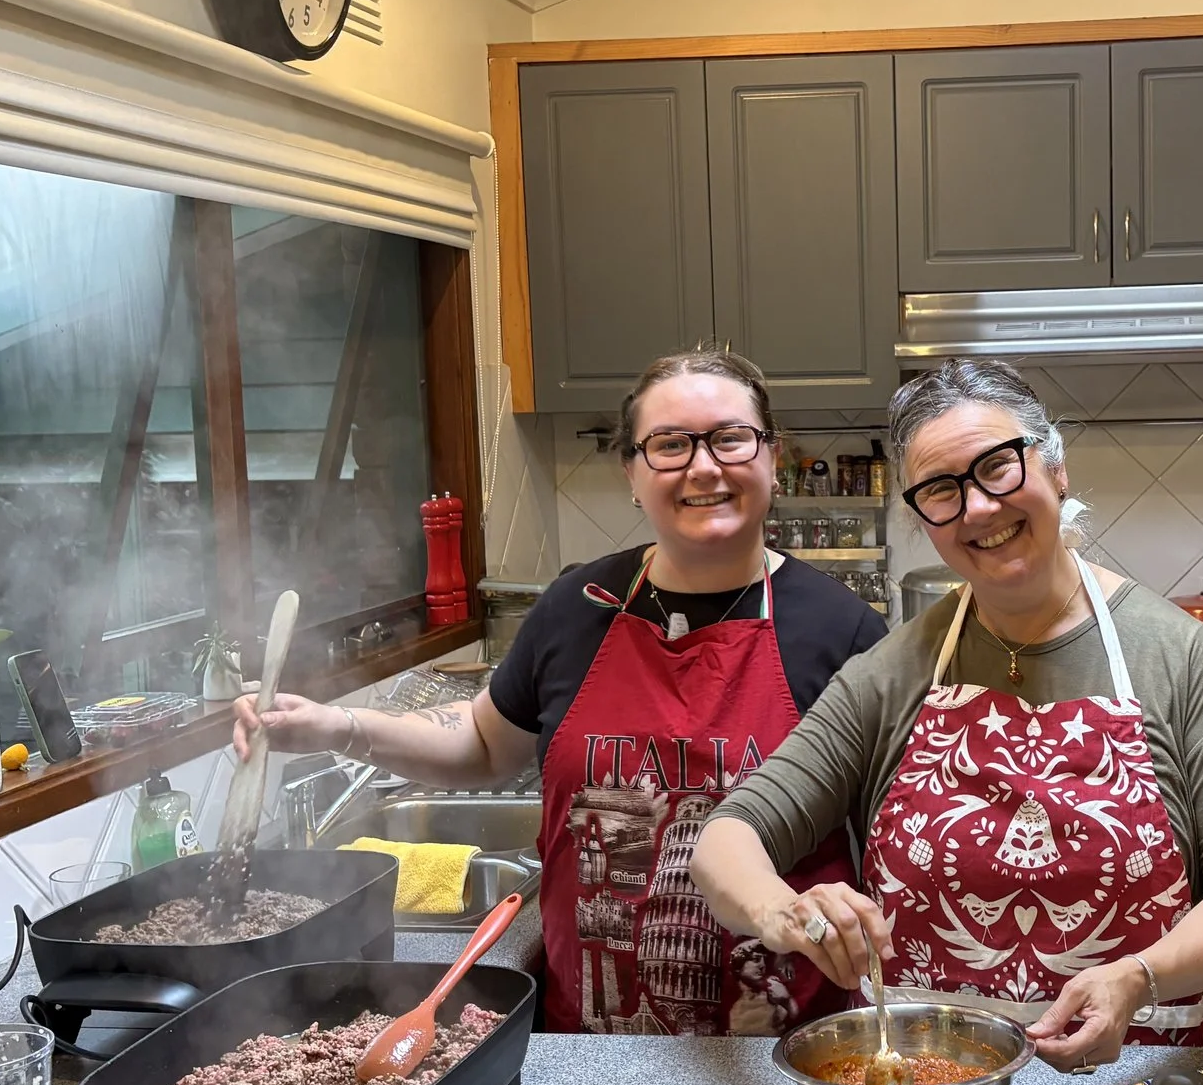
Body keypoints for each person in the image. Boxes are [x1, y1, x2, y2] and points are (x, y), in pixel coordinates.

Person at [236, 349, 886, 1036]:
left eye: (729, 438)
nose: (703, 466)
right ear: (632, 472)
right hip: (587, 1050)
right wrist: (338, 726)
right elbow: (485, 741)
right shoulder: (575, 609)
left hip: (783, 1053)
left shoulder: (842, 630)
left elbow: (894, 841)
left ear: (771, 458)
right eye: (670, 445)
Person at [687, 358, 1203, 1075]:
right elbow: (724, 839)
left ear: (1056, 468)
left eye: (998, 467)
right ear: (923, 518)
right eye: (942, 489)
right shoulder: (895, 669)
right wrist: (785, 914)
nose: (976, 508)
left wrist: (1141, 977)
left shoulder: (1179, 656)